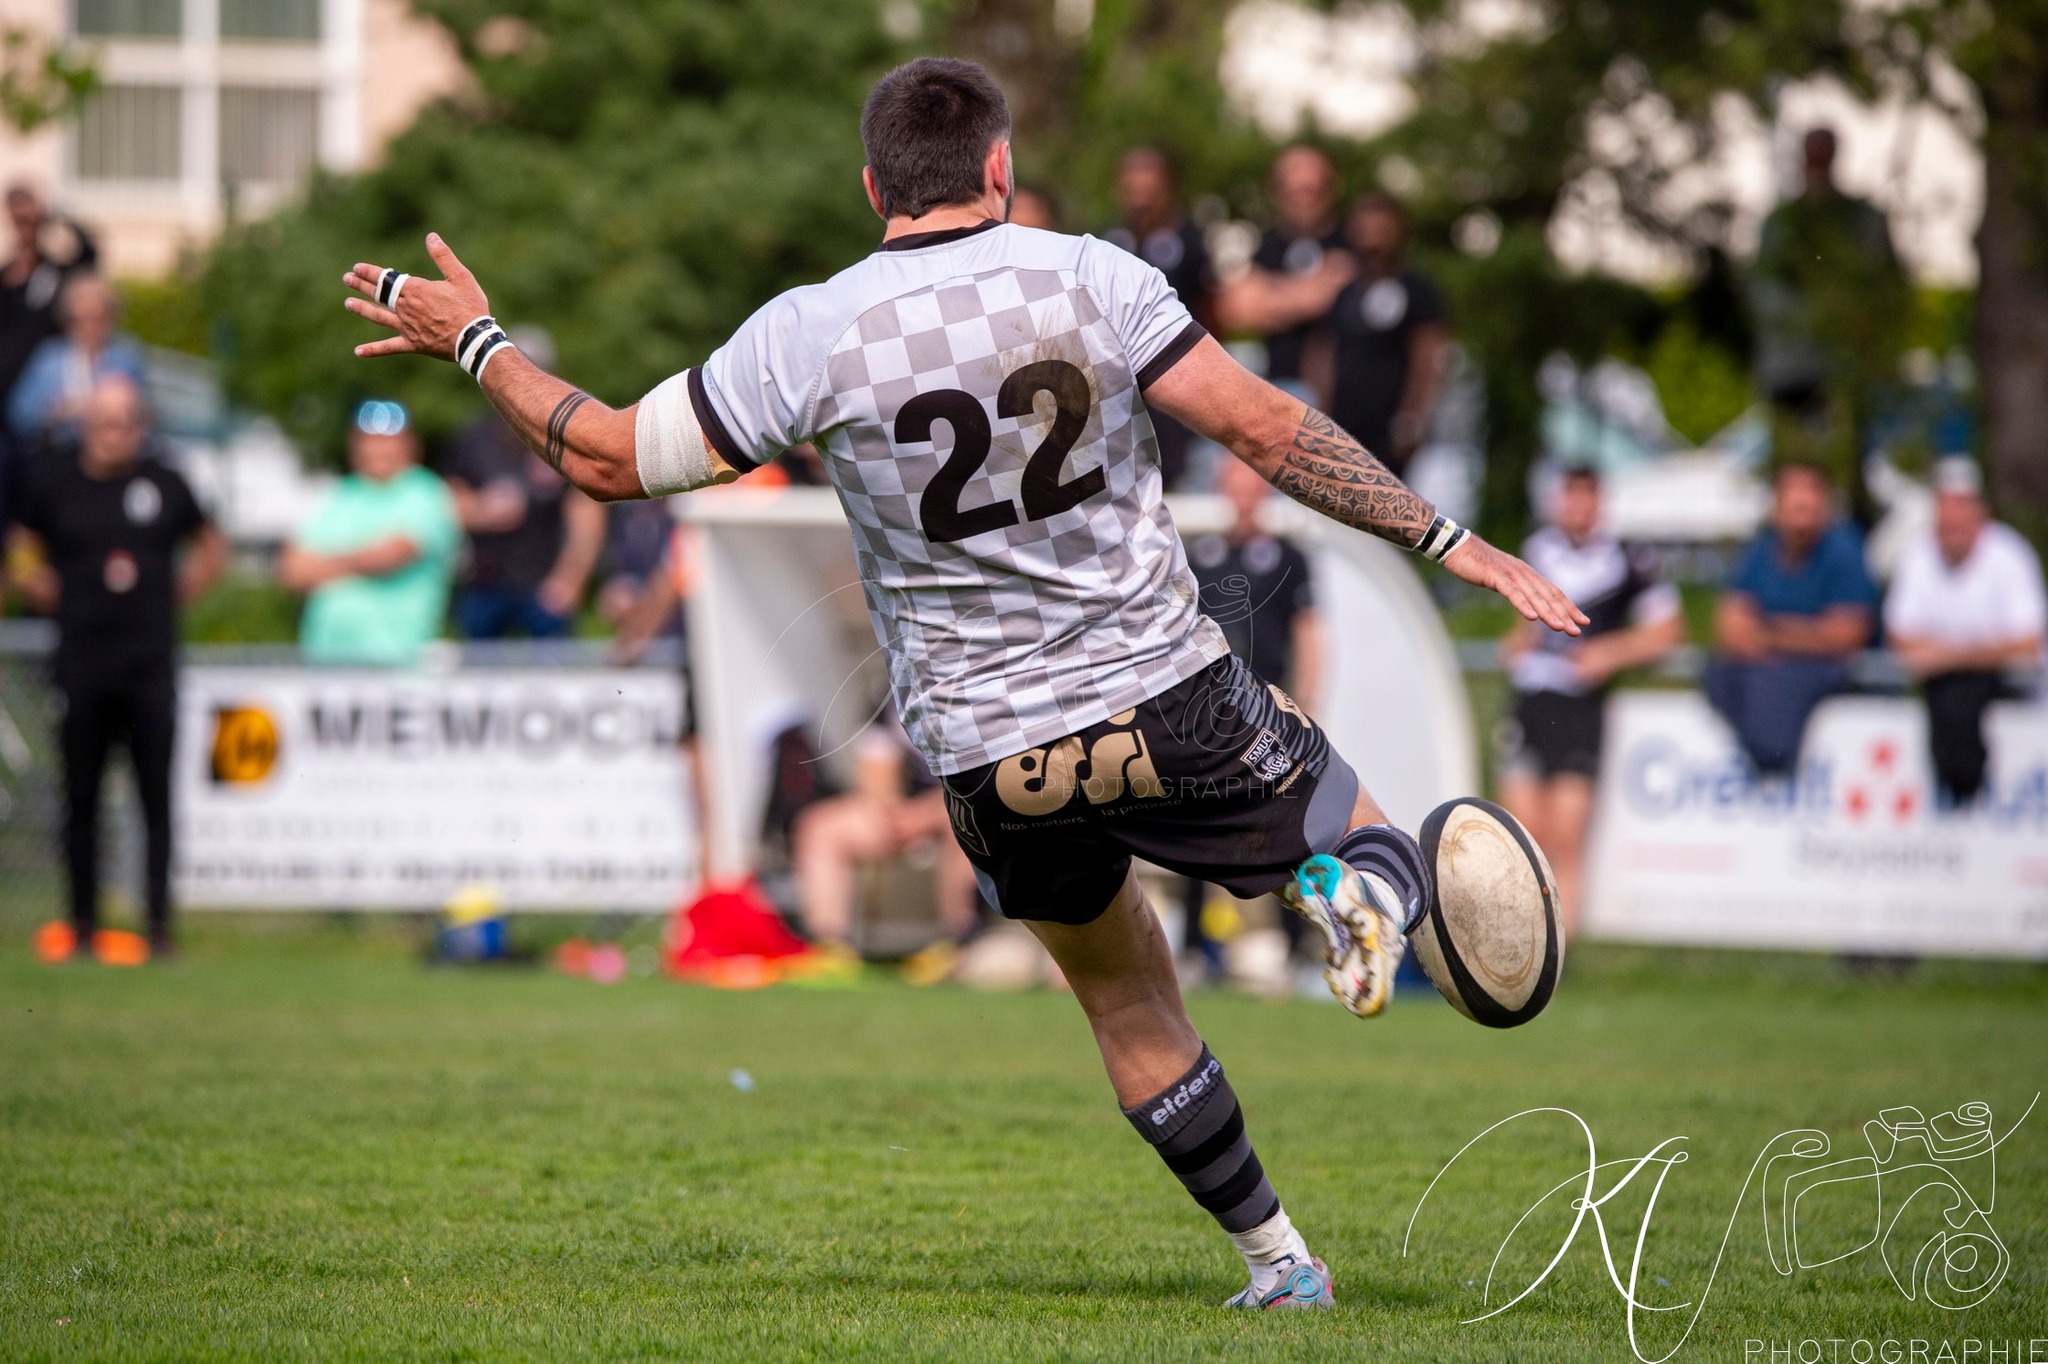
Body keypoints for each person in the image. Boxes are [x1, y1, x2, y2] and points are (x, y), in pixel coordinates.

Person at [340, 56, 1584, 1310]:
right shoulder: (1093, 275)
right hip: (1162, 691)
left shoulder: (812, 330)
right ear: (999, 169)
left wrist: (478, 341)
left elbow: (604, 456)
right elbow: (1266, 428)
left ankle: (1277, 1263)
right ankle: (1350, 889)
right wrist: (1449, 541)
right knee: (1373, 830)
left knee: (1122, 996)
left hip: (992, 759)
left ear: (873, 183)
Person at [9, 375, 225, 959]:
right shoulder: (56, 483)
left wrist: (175, 593)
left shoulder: (166, 482)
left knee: (156, 801)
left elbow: (211, 544)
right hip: (81, 664)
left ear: (141, 425)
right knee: (80, 800)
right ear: (87, 424)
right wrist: (43, 587)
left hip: (150, 665)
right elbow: (21, 546)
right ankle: (81, 925)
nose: (114, 433)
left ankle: (158, 928)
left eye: (126, 421)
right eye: (104, 421)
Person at [1497, 467, 1683, 935]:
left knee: (1565, 833)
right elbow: (1524, 630)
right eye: (1570, 498)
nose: (1577, 509)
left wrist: (1610, 653)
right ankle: (1514, 944)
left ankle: (1555, 951)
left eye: (1587, 499)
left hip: (1581, 707)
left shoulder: (1628, 560)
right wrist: (1515, 644)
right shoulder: (1536, 551)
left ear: (1600, 504)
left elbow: (1668, 630)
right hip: (1531, 699)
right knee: (1518, 832)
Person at [1182, 456, 1323, 976]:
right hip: (1212, 721)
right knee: (1197, 825)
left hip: (1270, 715)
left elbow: (1309, 634)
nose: (1242, 494)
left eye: (1249, 484)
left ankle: (1300, 946)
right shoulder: (1202, 557)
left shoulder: (1289, 558)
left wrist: (1305, 705)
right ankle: (1197, 949)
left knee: (1287, 821)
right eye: (1232, 484)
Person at [1747, 127, 1908, 511]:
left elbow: (1886, 287)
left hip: (1846, 373)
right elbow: (1765, 292)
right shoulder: (1782, 223)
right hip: (1792, 373)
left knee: (1847, 471)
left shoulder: (1861, 219)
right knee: (1793, 470)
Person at [1883, 458, 2047, 805]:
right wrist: (1975, 655)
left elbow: (2029, 641)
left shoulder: (2010, 556)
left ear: (1979, 514)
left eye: (1961, 510)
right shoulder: (1919, 556)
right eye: (1946, 512)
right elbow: (1899, 635)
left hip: (2012, 693)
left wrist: (1951, 656)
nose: (1952, 521)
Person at [1705, 461, 1877, 775]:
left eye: (1808, 509)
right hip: (1768, 672)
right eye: (1793, 508)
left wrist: (1770, 633)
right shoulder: (1761, 550)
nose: (1800, 522)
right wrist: (1803, 634)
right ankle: (1766, 757)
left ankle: (1771, 757)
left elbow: (1847, 634)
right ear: (1776, 508)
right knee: (1720, 675)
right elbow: (1728, 626)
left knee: (1773, 695)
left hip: (1827, 680)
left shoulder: (1844, 551)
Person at [443, 331, 606, 639]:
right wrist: (481, 510)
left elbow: (586, 514)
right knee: (479, 678)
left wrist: (570, 580)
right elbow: (450, 500)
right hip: (485, 584)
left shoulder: (565, 436)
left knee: (555, 679)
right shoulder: (475, 437)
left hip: (546, 587)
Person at [277, 399, 460, 666]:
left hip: (398, 666)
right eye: (369, 440)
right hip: (326, 663)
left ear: (411, 445)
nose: (378, 449)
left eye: (388, 440)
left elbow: (393, 556)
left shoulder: (426, 492)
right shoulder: (340, 494)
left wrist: (323, 565)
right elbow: (291, 571)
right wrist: (358, 561)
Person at [790, 705, 979, 954]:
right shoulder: (888, 700)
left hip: (959, 807)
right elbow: (876, 773)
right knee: (819, 827)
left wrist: (927, 814)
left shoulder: (972, 695)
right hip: (901, 815)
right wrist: (894, 814)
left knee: (963, 818)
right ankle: (829, 946)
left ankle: (958, 941)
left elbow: (980, 779)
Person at [1103, 147, 1212, 489]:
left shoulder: (1191, 243)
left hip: (1178, 378)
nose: (1142, 198)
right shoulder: (1106, 243)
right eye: (1134, 187)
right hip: (1121, 387)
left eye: (1150, 188)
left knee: (1181, 479)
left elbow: (1212, 308)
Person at [1324, 193, 1450, 477]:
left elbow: (1429, 357)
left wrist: (1412, 420)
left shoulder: (1418, 290)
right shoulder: (1345, 293)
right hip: (1345, 428)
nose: (1372, 237)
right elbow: (1325, 353)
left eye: (1381, 227)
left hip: (1394, 431)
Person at [1214, 146, 1355, 385]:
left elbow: (1322, 298)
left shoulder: (1349, 241)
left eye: (1312, 191)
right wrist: (1309, 290)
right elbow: (1236, 308)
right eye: (1293, 191)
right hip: (1280, 386)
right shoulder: (1268, 246)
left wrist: (1270, 291)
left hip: (1342, 390)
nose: (1303, 200)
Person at [7, 273, 148, 445]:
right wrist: (55, 411)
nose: (88, 327)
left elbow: (143, 415)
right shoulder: (49, 357)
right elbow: (19, 414)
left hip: (108, 454)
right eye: (80, 320)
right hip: (56, 452)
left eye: (96, 318)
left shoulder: (125, 357)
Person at [0, 184, 98, 414]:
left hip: (43, 384)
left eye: (29, 216)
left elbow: (90, 253)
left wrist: (53, 215)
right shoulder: (6, 274)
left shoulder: (55, 272)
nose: (24, 223)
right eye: (18, 217)